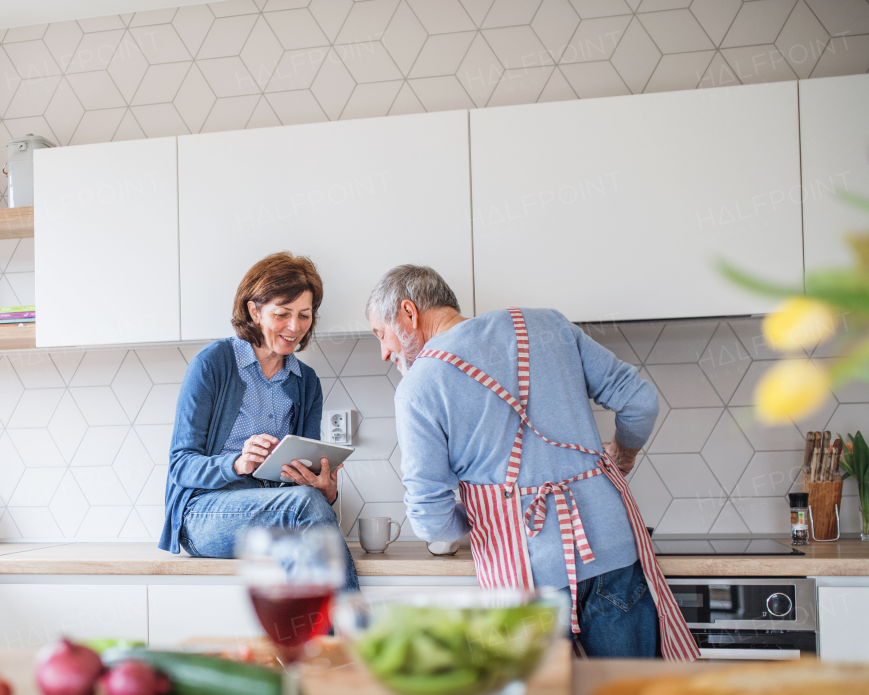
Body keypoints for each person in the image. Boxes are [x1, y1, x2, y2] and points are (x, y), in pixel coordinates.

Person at [365, 264, 696, 658]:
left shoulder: (417, 388)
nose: (385, 352)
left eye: (381, 334)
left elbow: (429, 519)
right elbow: (640, 401)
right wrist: (623, 456)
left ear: (408, 312)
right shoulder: (547, 324)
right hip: (610, 551)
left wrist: (487, 521)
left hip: (522, 577)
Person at [160, 252, 359, 590]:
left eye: (304, 315)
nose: (294, 327)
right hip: (204, 514)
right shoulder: (213, 364)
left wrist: (323, 490)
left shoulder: (306, 381)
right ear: (254, 311)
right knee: (303, 507)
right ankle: (351, 637)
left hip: (280, 514)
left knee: (307, 502)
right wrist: (237, 463)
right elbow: (181, 466)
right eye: (282, 314)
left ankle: (319, 639)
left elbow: (303, 484)